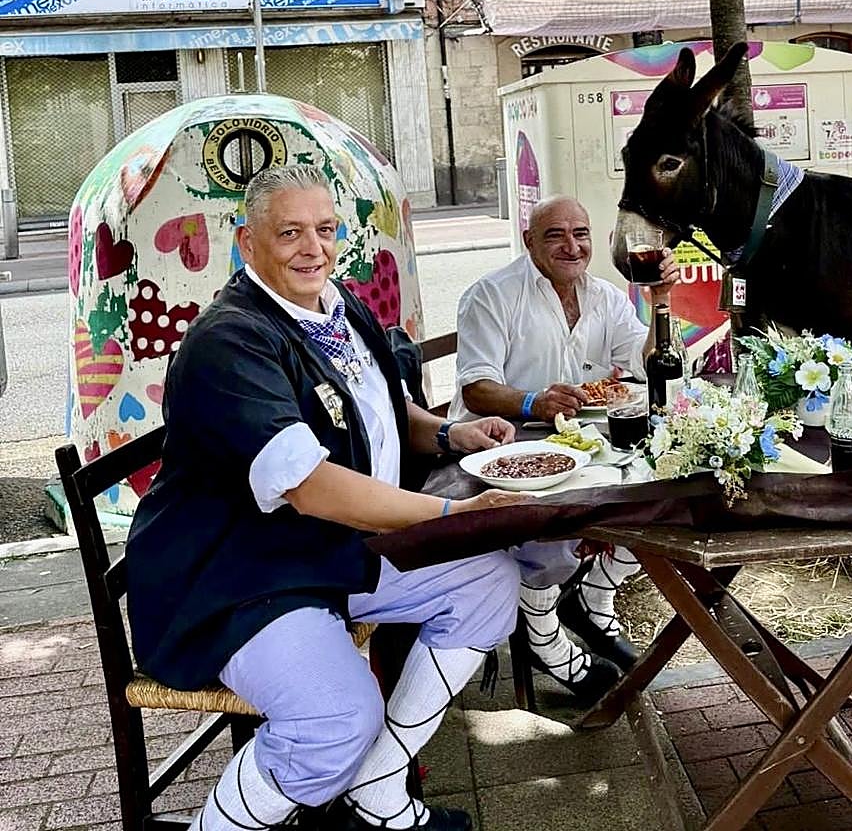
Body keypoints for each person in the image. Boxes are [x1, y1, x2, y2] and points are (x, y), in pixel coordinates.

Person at [126, 164, 528, 831]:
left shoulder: (337, 306)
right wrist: (454, 517)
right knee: (337, 715)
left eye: (325, 229)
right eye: (289, 232)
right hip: (234, 579)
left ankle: (377, 789)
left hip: (323, 553)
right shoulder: (231, 340)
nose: (312, 247)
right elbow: (309, 486)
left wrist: (451, 433)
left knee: (487, 579)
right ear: (246, 243)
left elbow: (384, 407)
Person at [451, 195, 680, 703]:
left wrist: (661, 302)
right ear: (529, 240)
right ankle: (542, 634)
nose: (571, 246)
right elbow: (476, 388)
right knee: (553, 529)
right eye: (555, 235)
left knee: (664, 495)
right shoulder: (491, 295)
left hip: (581, 445)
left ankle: (594, 594)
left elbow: (644, 364)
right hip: (501, 448)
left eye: (580, 234)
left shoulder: (605, 297)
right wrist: (534, 400)